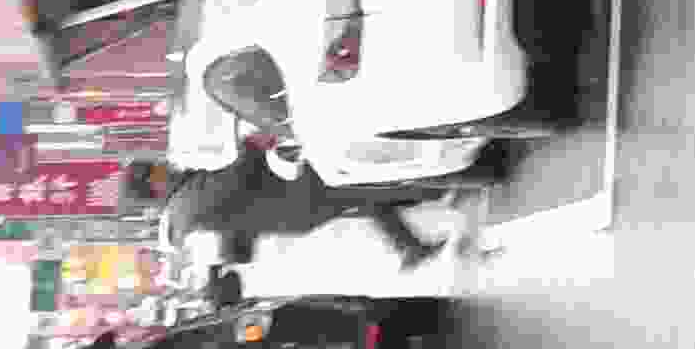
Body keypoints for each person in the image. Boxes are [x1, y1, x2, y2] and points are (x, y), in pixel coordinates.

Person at [141, 125, 462, 270]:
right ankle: (445, 181)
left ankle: (411, 242)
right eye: (157, 170)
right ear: (154, 185)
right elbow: (235, 182)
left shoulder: (184, 215)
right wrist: (252, 145)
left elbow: (237, 247)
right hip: (294, 192)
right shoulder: (188, 203)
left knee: (363, 192)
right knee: (363, 180)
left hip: (291, 208)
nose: (165, 167)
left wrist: (244, 221)